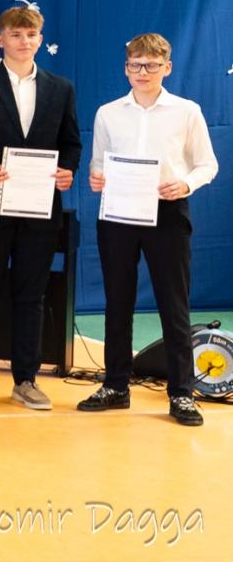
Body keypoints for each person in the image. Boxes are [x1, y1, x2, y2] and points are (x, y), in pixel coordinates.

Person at [80, 33, 218, 426]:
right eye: (136, 65)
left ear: (167, 67)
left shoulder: (187, 111)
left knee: (174, 304)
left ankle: (182, 393)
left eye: (152, 65)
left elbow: (207, 164)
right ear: (126, 69)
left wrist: (185, 184)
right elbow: (98, 162)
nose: (143, 72)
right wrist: (96, 176)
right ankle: (115, 385)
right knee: (117, 301)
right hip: (118, 213)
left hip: (168, 213)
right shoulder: (108, 113)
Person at [0, 7, 80, 412]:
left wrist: (67, 170)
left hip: (39, 208)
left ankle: (26, 379)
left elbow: (71, 142)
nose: (24, 41)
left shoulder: (60, 88)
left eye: (31, 34)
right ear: (0, 39)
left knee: (31, 295)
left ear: (40, 39)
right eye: (15, 34)